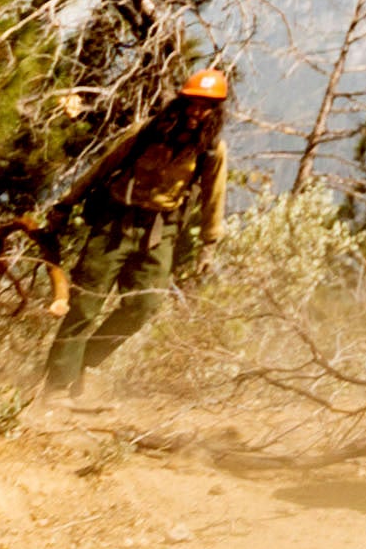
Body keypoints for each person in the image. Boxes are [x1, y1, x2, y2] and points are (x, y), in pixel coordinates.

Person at [40, 67, 231, 392]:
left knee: (144, 306)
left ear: (216, 110)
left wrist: (209, 245)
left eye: (206, 106)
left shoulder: (211, 149)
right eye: (193, 103)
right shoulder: (149, 132)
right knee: (85, 304)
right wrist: (65, 204)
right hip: (115, 224)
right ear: (183, 102)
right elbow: (104, 166)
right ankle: (57, 388)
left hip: (160, 233)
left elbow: (215, 197)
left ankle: (82, 362)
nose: (198, 111)